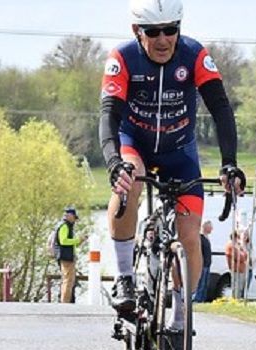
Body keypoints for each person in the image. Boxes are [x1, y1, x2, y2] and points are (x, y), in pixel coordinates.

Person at [99, 0, 245, 332]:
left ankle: (180, 316)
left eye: (171, 30)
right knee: (130, 178)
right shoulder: (122, 58)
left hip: (179, 152)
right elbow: (109, 115)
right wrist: (113, 163)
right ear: (137, 31)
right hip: (133, 144)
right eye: (153, 32)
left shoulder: (194, 55)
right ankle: (124, 278)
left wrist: (229, 164)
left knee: (190, 236)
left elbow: (221, 108)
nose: (163, 40)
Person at [55, 206, 86, 303]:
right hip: (66, 257)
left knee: (69, 280)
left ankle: (65, 301)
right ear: (70, 216)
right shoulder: (64, 226)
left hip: (68, 256)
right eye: (74, 218)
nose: (75, 221)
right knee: (68, 281)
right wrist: (77, 240)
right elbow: (63, 241)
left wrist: (79, 241)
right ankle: (65, 302)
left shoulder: (66, 226)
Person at [193, 220, 212, 302]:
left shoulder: (207, 237)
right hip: (202, 265)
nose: (212, 229)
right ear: (205, 227)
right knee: (200, 283)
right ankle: (197, 299)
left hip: (207, 264)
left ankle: (202, 299)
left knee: (205, 284)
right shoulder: (200, 238)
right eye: (210, 227)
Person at [224, 231, 247, 299]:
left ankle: (238, 298)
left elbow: (245, 254)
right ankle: (235, 299)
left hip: (240, 269)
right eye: (238, 237)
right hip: (236, 269)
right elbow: (240, 257)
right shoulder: (231, 246)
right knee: (236, 286)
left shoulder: (237, 246)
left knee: (240, 286)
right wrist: (243, 254)